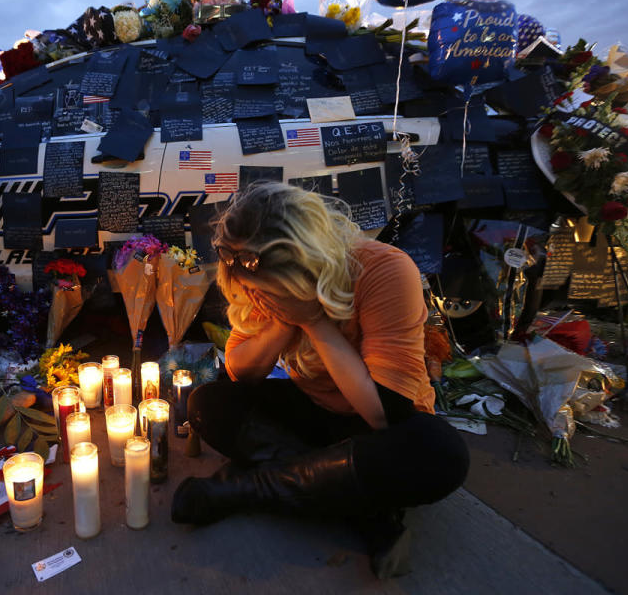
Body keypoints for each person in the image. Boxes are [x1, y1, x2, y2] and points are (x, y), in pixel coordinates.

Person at [171, 182, 469, 578]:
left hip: (380, 425)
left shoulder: (385, 270)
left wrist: (313, 321)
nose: (257, 300)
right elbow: (240, 372)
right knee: (209, 403)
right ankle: (363, 510)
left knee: (441, 453)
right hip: (316, 411)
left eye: (271, 294)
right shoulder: (253, 275)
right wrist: (281, 320)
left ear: (310, 267)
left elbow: (383, 413)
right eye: (255, 293)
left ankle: (247, 488)